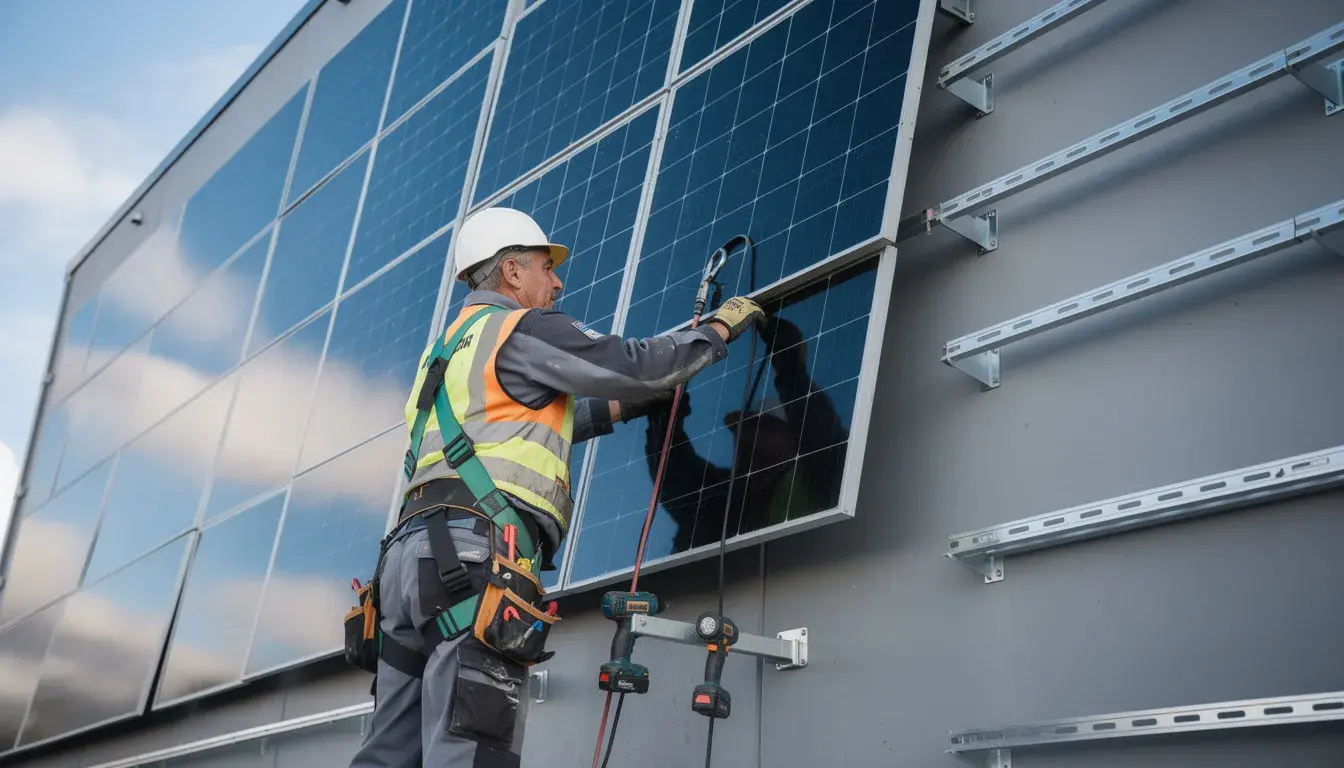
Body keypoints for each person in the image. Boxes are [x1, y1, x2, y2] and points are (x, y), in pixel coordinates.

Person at [348, 207, 764, 768]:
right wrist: (713, 332)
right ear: (512, 272)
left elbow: (514, 421)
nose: (558, 282)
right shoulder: (523, 328)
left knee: (388, 755)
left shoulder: (442, 354)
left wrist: (626, 407)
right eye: (547, 267)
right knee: (471, 752)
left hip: (404, 567)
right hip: (470, 560)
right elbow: (637, 365)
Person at [645, 317, 848, 553]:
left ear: (791, 435)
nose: (745, 437)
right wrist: (665, 414)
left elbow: (822, 434)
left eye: (761, 427)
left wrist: (791, 369)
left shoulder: (814, 477)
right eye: (744, 428)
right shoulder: (722, 494)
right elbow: (673, 475)